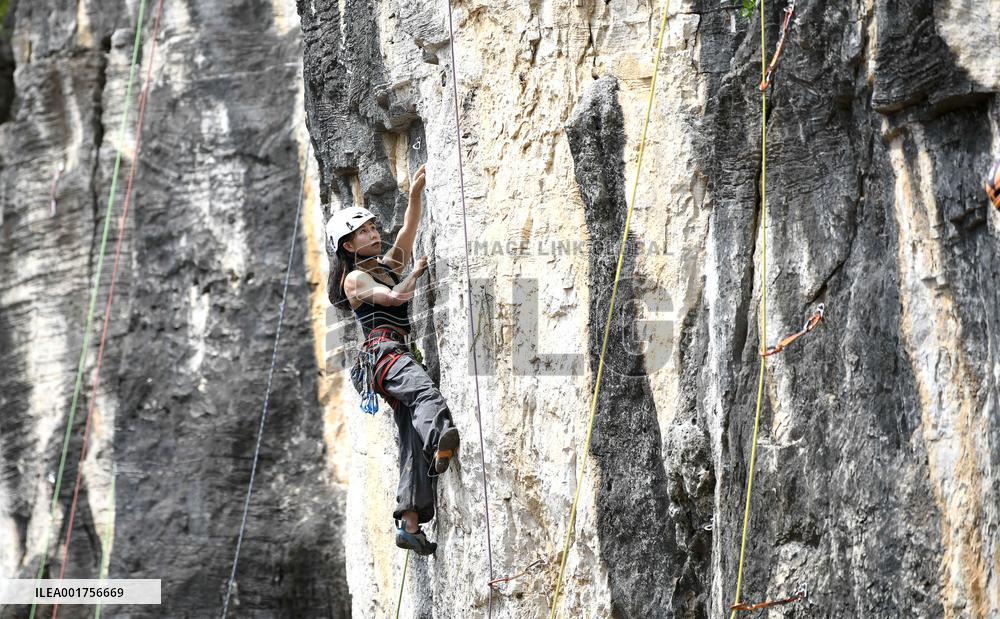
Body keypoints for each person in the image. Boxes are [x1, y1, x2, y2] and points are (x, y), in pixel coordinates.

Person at [326, 164, 459, 556]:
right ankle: (441, 440)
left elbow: (407, 230)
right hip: (382, 353)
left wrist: (415, 194)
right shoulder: (354, 279)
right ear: (349, 246)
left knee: (408, 438)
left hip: (389, 354)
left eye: (371, 227)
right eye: (363, 232)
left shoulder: (384, 266)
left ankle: (410, 523)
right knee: (422, 393)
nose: (373, 233)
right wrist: (415, 275)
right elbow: (394, 299)